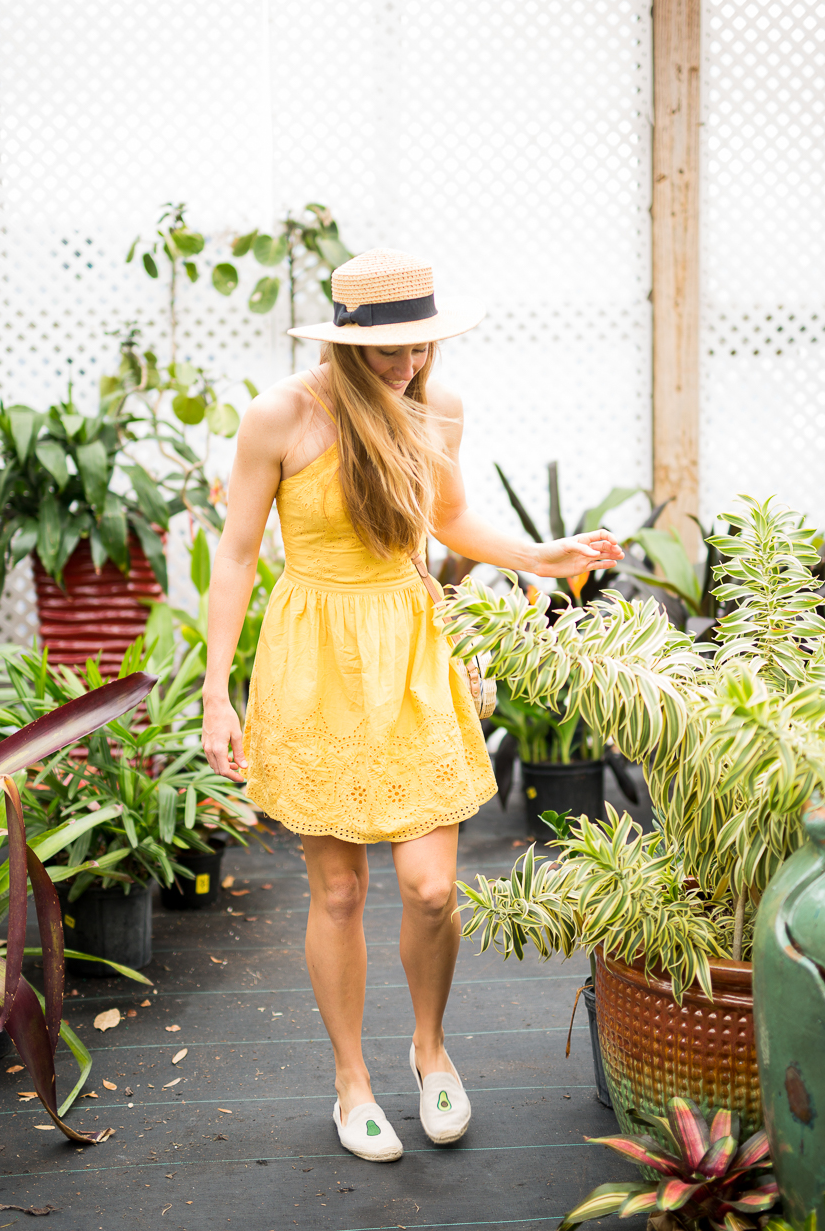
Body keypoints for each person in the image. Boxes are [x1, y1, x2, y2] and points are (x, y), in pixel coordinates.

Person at [202, 247, 623, 1162]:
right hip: (313, 655)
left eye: (422, 346)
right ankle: (351, 1079)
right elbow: (235, 555)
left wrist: (542, 555)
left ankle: (430, 1048)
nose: (410, 364)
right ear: (346, 340)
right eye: (391, 351)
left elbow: (450, 518)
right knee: (341, 890)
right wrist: (216, 694)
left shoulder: (438, 406)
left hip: (413, 647)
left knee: (432, 888)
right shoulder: (282, 415)